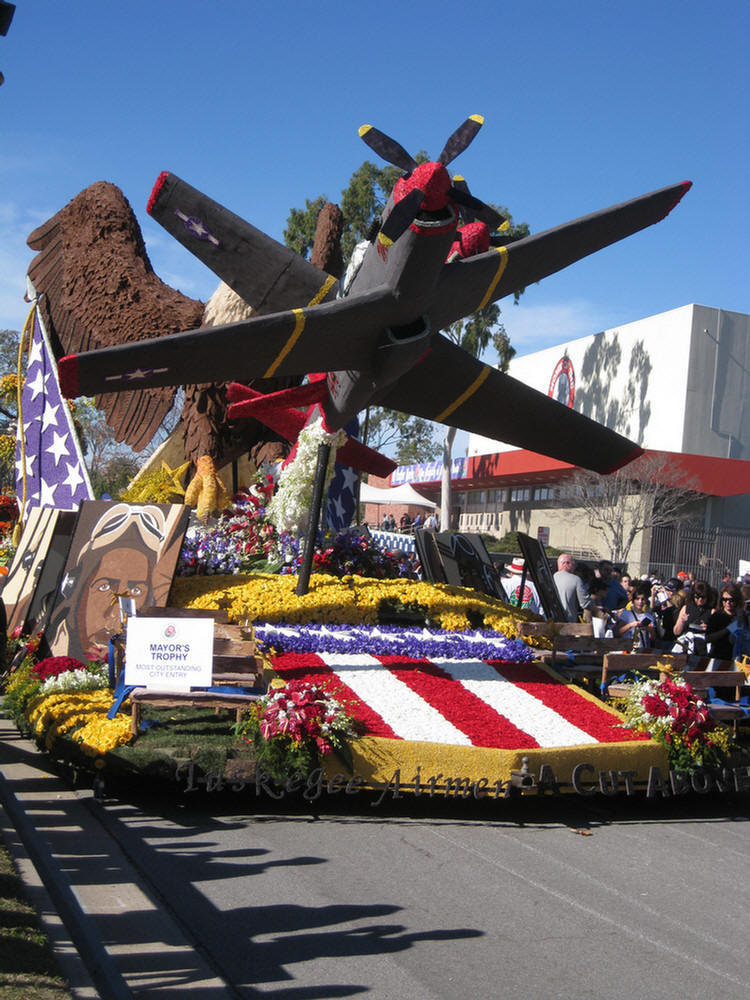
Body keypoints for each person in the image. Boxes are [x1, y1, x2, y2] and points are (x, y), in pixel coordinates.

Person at [46, 503, 186, 661]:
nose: (115, 613)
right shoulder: (44, 651)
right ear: (72, 587)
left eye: (136, 591)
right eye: (104, 587)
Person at [671, 579, 714, 655]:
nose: (700, 599)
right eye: (697, 596)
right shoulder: (686, 608)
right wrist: (682, 621)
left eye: (703, 597)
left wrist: (709, 629)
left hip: (702, 648)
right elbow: (676, 632)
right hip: (686, 646)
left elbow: (715, 634)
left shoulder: (711, 611)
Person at [706, 582, 746, 662]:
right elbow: (708, 638)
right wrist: (727, 630)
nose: (728, 602)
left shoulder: (742, 616)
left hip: (739, 659)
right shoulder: (716, 616)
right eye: (725, 599)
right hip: (719, 657)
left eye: (731, 600)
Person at [553, 553, 592, 622]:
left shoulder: (550, 578)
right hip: (568, 622)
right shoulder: (576, 579)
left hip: (551, 621)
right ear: (567, 563)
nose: (574, 568)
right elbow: (585, 603)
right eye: (573, 565)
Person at [616, 581, 656, 649]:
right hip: (627, 648)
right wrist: (630, 625)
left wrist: (649, 630)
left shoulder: (649, 616)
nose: (640, 602)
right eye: (637, 599)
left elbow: (652, 638)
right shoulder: (625, 614)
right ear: (633, 601)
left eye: (642, 599)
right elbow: (618, 633)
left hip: (642, 649)